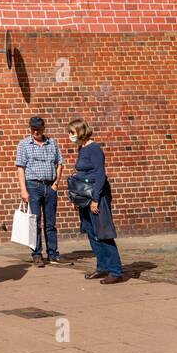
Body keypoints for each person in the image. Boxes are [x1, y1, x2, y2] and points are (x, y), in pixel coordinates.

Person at [69, 119, 124, 284]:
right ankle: (102, 267)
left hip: (96, 195)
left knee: (103, 233)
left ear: (81, 131)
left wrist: (96, 199)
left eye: (72, 132)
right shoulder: (82, 147)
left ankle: (115, 270)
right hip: (83, 196)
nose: (70, 135)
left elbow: (100, 175)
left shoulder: (94, 149)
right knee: (92, 233)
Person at [16, 115, 63, 267]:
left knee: (51, 223)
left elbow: (59, 163)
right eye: (33, 129)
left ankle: (53, 254)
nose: (36, 132)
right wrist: (23, 190)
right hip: (33, 186)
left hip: (50, 186)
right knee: (34, 222)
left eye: (39, 129)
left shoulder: (52, 143)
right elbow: (20, 168)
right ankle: (37, 254)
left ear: (44, 128)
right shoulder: (24, 144)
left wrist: (56, 183)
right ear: (30, 129)